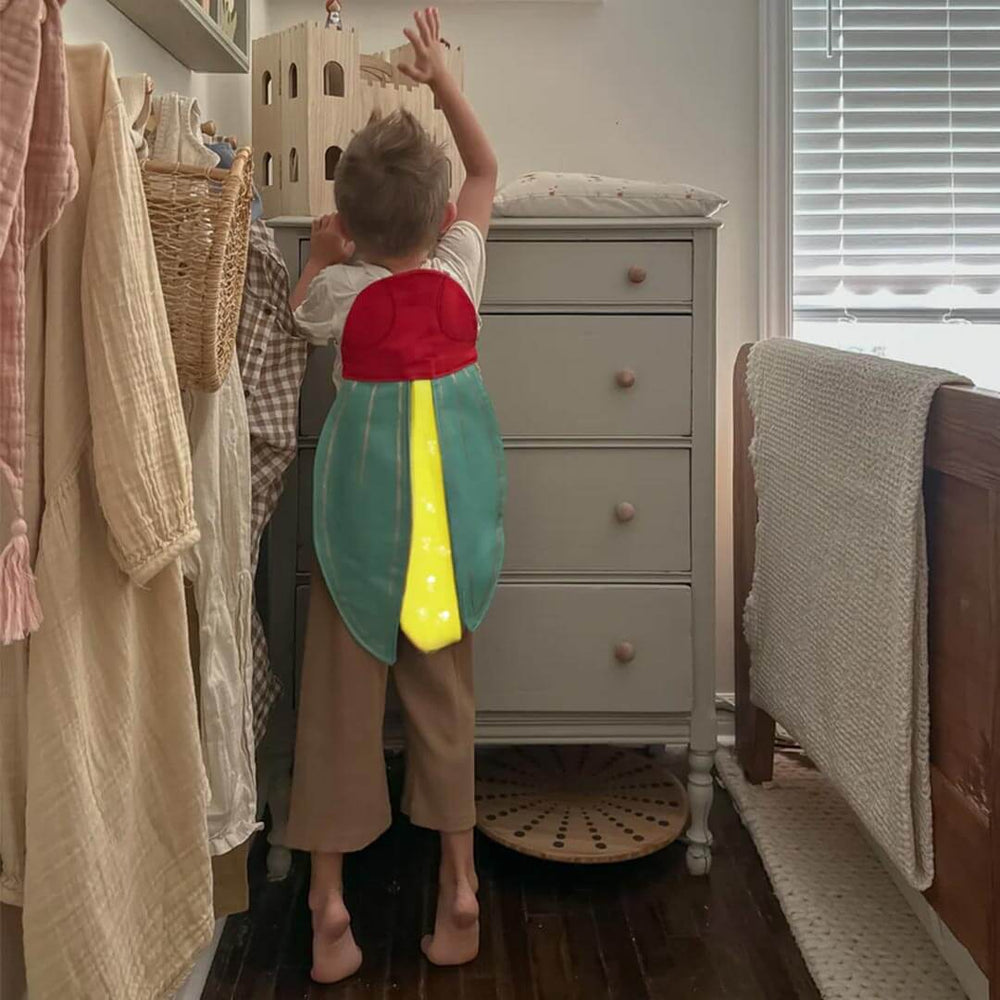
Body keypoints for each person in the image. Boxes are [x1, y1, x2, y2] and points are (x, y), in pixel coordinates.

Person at [284, 8, 504, 985]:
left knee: (338, 707)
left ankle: (329, 905)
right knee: (443, 702)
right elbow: (486, 171)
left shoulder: (343, 295)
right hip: (445, 536)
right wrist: (441, 80)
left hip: (360, 539)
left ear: (353, 221)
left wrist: (321, 255)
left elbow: (300, 311)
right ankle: (460, 884)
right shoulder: (461, 272)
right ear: (439, 216)